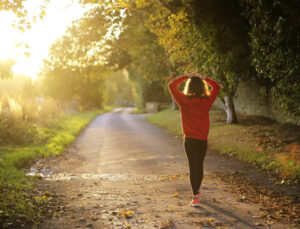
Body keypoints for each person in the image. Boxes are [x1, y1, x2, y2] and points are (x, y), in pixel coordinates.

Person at [168, 73, 220, 207]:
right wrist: (205, 78)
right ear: (203, 87)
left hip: (190, 140)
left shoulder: (183, 100)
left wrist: (186, 76)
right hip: (202, 139)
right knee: (199, 165)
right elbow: (217, 87)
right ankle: (197, 191)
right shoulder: (207, 101)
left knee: (193, 166)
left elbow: (171, 85)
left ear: (188, 87)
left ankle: (195, 196)